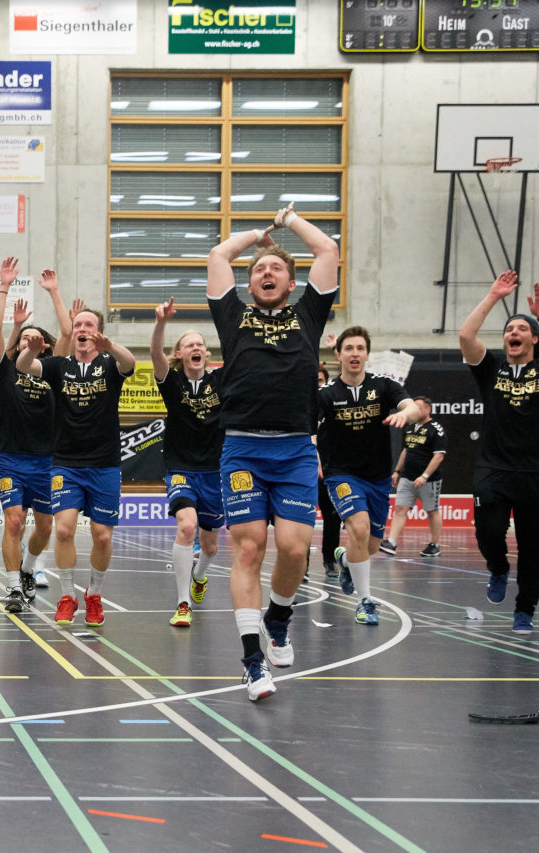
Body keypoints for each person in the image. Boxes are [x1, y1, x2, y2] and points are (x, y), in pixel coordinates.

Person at [205, 202, 339, 702]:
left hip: (296, 451)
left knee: (294, 548)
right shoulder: (232, 314)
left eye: (276, 268)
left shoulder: (309, 313)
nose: (266, 272)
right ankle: (252, 662)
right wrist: (254, 236)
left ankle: (278, 619)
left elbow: (327, 249)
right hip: (242, 448)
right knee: (247, 548)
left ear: (290, 282)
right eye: (260, 269)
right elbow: (219, 255)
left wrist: (285, 223)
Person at [458, 270, 539, 635]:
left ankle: (525, 610)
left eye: (521, 329)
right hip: (494, 466)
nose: (513, 333)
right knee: (488, 531)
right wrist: (492, 296)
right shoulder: (491, 369)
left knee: (534, 546)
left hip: (536, 471)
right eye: (509, 330)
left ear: (534, 339)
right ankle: (498, 568)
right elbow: (465, 336)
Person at [16, 302, 136, 628]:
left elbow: (131, 362)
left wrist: (111, 346)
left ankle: (94, 594)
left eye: (89, 325)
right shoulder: (58, 366)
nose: (82, 330)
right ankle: (67, 595)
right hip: (66, 463)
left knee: (102, 537)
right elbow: (24, 366)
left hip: (105, 464)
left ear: (97, 332)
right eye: (78, 325)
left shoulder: (110, 365)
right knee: (65, 529)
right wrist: (30, 349)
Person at [318, 326, 420, 626]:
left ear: (366, 354)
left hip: (376, 477)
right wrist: (313, 455)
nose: (354, 354)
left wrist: (405, 415)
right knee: (358, 531)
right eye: (349, 348)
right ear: (338, 354)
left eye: (360, 348)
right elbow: (307, 428)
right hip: (341, 474)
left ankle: (345, 559)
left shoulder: (384, 386)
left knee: (371, 545)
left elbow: (412, 406)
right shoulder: (326, 394)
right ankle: (365, 602)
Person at [0, 258, 72, 613]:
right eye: (21, 341)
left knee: (45, 527)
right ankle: (11, 588)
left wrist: (53, 292)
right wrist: (6, 292)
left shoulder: (54, 371)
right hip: (11, 457)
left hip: (48, 460)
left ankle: (26, 568)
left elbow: (67, 334)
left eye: (33, 341)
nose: (27, 344)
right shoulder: (6, 375)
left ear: (44, 349)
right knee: (14, 520)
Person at [151, 297, 222, 628]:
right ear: (180, 354)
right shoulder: (173, 383)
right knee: (187, 526)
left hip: (216, 471)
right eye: (189, 344)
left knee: (210, 546)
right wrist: (161, 322)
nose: (196, 348)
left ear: (206, 353)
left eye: (200, 344)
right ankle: (182, 604)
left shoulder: (221, 382)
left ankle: (199, 575)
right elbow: (154, 355)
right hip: (180, 468)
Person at [380, 396, 447, 558]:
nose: (415, 411)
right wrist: (397, 471)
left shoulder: (436, 429)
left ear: (427, 409)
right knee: (400, 509)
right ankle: (392, 542)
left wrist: (424, 476)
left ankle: (434, 544)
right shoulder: (409, 427)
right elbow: (406, 450)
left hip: (428, 480)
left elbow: (438, 456)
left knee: (432, 511)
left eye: (418, 408)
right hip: (407, 477)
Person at [315, 363, 342, 579]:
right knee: (300, 520)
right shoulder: (299, 405)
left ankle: (330, 559)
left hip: (330, 470)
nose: (316, 386)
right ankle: (301, 566)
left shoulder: (333, 404)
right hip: (302, 469)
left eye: (320, 382)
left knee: (333, 518)